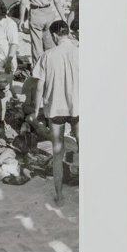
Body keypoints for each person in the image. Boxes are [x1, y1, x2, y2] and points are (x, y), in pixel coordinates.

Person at [32, 20, 80, 204]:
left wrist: (36, 110)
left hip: (56, 108)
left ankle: (59, 196)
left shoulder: (47, 55)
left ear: (54, 35)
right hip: (77, 106)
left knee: (57, 153)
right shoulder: (80, 52)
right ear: (68, 33)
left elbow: (39, 87)